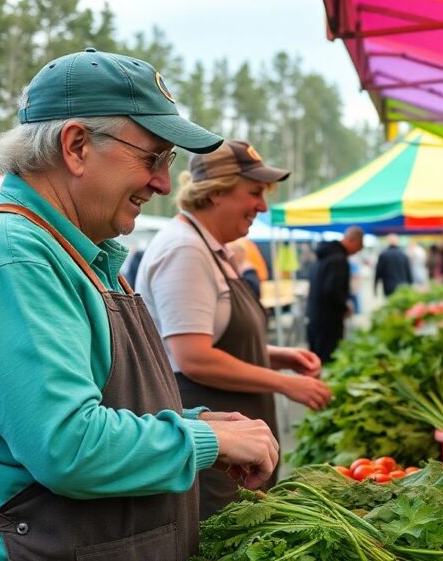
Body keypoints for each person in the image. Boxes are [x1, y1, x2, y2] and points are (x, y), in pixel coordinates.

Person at [0, 49, 278, 560]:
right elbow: (68, 446)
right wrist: (203, 442)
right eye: (152, 157)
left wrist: (201, 422)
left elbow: (108, 407)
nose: (163, 183)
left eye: (168, 162)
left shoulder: (80, 251)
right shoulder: (14, 254)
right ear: (77, 145)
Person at [135, 140, 332, 519]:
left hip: (237, 447)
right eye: (254, 193)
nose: (262, 206)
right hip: (217, 452)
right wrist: (285, 383)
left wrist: (275, 355)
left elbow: (205, 334)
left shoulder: (211, 250)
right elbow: (193, 357)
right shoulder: (185, 250)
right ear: (216, 193)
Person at [307, 226, 364, 364]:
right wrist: (345, 307)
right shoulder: (338, 259)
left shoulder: (324, 255)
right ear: (353, 241)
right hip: (328, 321)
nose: (358, 250)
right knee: (328, 360)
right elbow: (332, 290)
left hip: (315, 317)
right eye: (359, 246)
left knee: (316, 360)